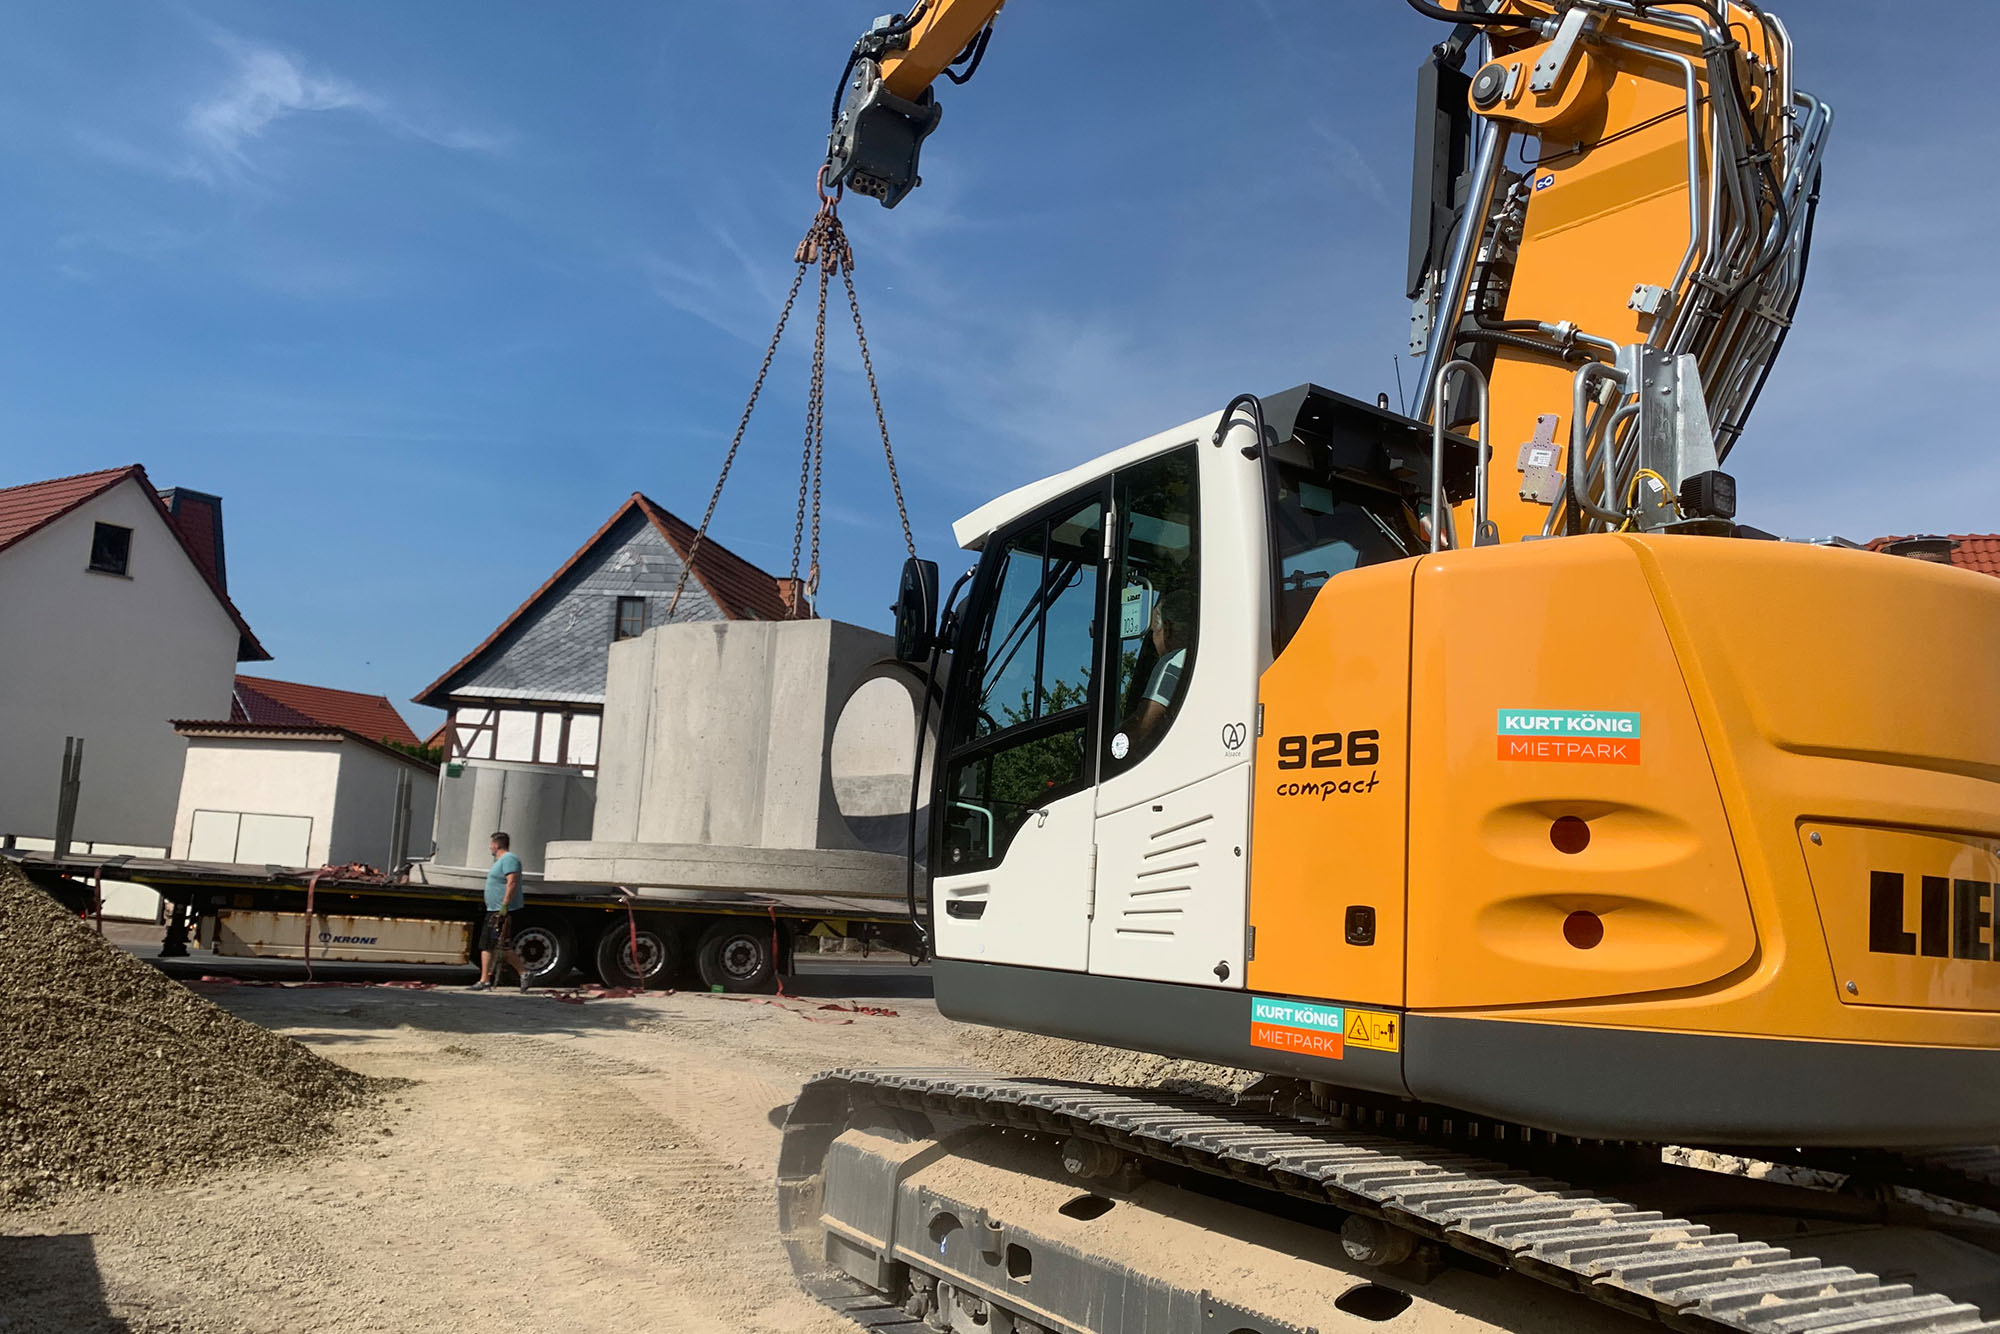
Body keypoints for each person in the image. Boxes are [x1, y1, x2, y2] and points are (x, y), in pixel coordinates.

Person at [1123, 588, 1193, 752]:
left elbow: (1142, 727)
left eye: (1154, 631)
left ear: (1167, 629)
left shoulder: (1175, 663)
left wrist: (1110, 742)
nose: (1153, 639)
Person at [471, 831, 528, 991]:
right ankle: (484, 980)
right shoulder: (501, 861)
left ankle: (524, 972)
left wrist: (504, 905)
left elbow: (512, 882)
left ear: (496, 844)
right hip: (493, 909)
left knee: (500, 946)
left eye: (491, 844)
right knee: (488, 945)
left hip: (502, 911)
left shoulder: (510, 859)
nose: (489, 847)